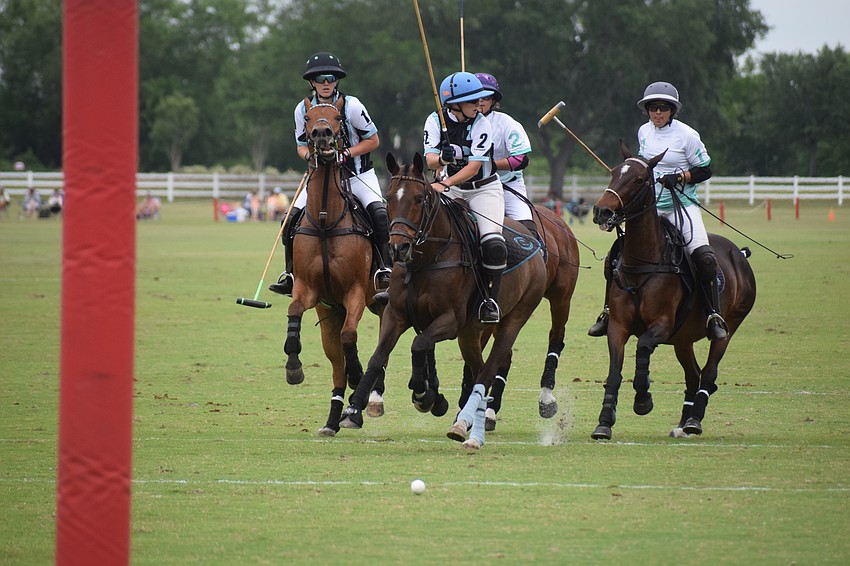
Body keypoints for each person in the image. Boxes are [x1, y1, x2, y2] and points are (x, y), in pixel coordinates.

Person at [587, 81, 727, 342]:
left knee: (705, 258)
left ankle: (712, 316)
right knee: (615, 257)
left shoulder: (688, 136)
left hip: (681, 207)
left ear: (672, 110)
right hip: (648, 210)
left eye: (663, 108)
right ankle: (608, 312)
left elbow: (705, 169)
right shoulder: (644, 132)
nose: (658, 112)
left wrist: (682, 176)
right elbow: (642, 167)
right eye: (653, 108)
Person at [269, 51, 391, 297]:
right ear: (312, 82)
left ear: (337, 81)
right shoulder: (301, 109)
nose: (326, 83)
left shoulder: (352, 105)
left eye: (331, 78)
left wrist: (346, 154)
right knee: (289, 219)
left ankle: (385, 270)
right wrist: (307, 156)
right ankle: (291, 274)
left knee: (379, 214)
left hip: (357, 176)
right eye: (320, 78)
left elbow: (374, 140)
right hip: (319, 177)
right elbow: (300, 145)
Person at [421, 71, 505, 324]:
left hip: (483, 189)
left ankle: (490, 300)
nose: (479, 105)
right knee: (415, 229)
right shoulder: (435, 120)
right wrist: (444, 159)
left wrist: (444, 182)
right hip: (450, 188)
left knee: (493, 244)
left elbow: (474, 167)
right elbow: (429, 160)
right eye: (473, 101)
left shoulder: (482, 123)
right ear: (454, 104)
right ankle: (399, 283)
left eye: (480, 100)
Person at [474, 72, 540, 245]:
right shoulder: (459, 123)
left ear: (494, 100)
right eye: (476, 96)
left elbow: (521, 160)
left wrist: (490, 165)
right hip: (469, 187)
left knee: (527, 229)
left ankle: (538, 261)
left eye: (486, 97)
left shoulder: (507, 123)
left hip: (507, 185)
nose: (481, 100)